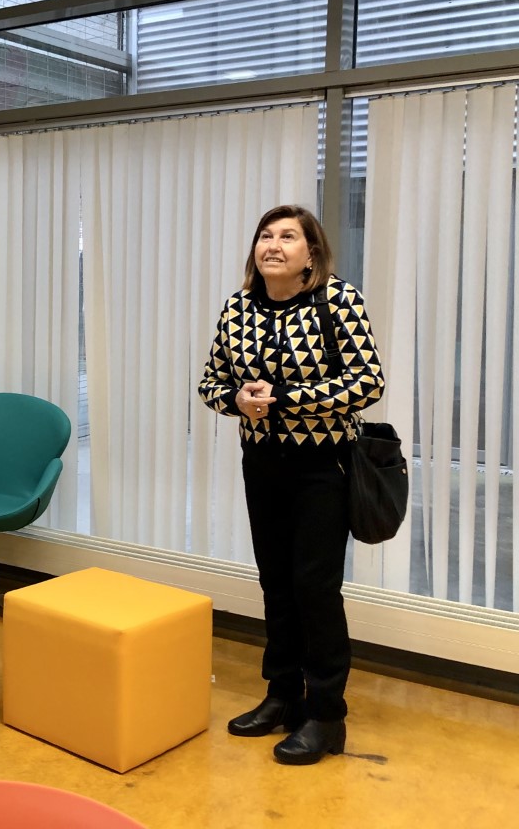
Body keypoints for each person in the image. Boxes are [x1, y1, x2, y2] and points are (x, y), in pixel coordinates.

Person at [197, 204, 385, 765]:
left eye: (287, 236)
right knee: (276, 583)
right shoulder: (238, 308)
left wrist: (283, 400)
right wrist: (236, 400)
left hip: (324, 467)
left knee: (315, 590)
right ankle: (282, 695)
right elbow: (210, 383)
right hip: (263, 465)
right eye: (265, 235)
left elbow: (368, 382)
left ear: (311, 253)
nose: (273, 245)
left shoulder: (337, 301)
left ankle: (326, 715)